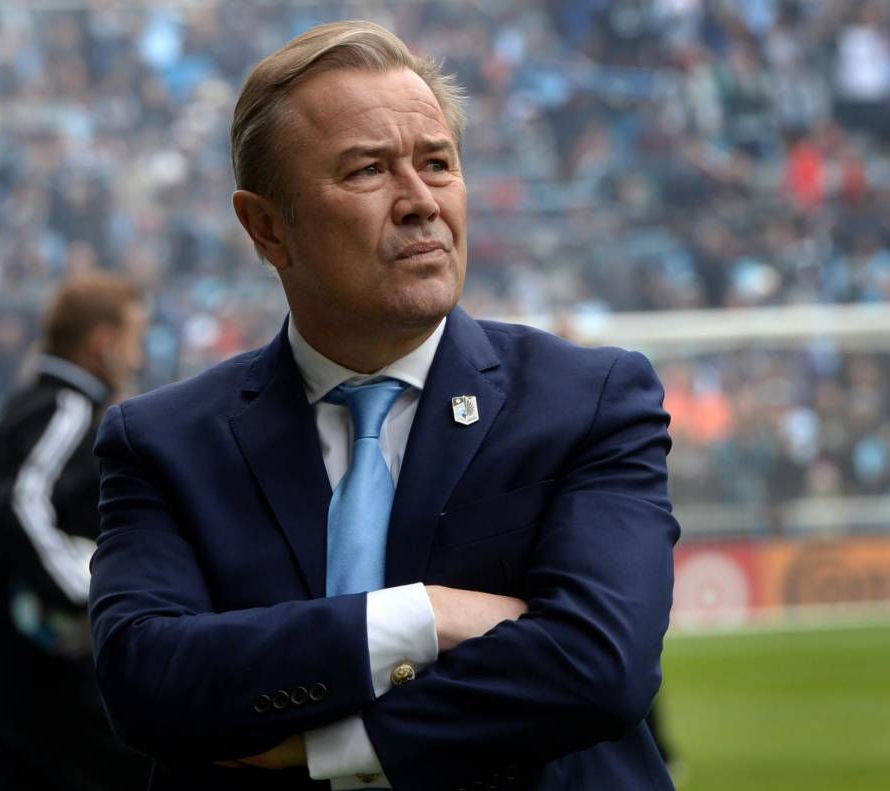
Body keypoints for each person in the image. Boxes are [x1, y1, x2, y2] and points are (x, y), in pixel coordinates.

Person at [89, 21, 679, 791]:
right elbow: (147, 680)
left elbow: (601, 663)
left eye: (437, 163)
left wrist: (330, 747)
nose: (420, 202)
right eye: (368, 171)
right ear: (266, 226)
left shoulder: (590, 400)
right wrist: (424, 615)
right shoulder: (162, 442)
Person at [0, 273, 151, 791]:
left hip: (17, 666)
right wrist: (88, 594)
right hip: (39, 663)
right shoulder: (65, 408)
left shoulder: (37, 401)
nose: (138, 358)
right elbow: (20, 502)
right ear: (104, 343)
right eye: (136, 340)